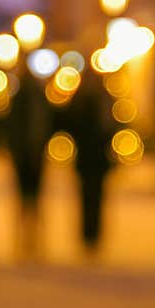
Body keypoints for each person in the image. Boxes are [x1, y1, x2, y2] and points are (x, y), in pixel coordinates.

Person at [59, 68, 116, 257]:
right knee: (90, 197)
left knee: (94, 197)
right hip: (91, 158)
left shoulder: (94, 100)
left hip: (93, 158)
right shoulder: (94, 100)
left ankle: (92, 235)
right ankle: (89, 235)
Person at [3, 64, 53, 260]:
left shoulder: (22, 99)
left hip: (27, 153)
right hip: (31, 153)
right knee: (32, 198)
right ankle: (30, 239)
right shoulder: (36, 98)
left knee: (26, 198)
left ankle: (28, 238)